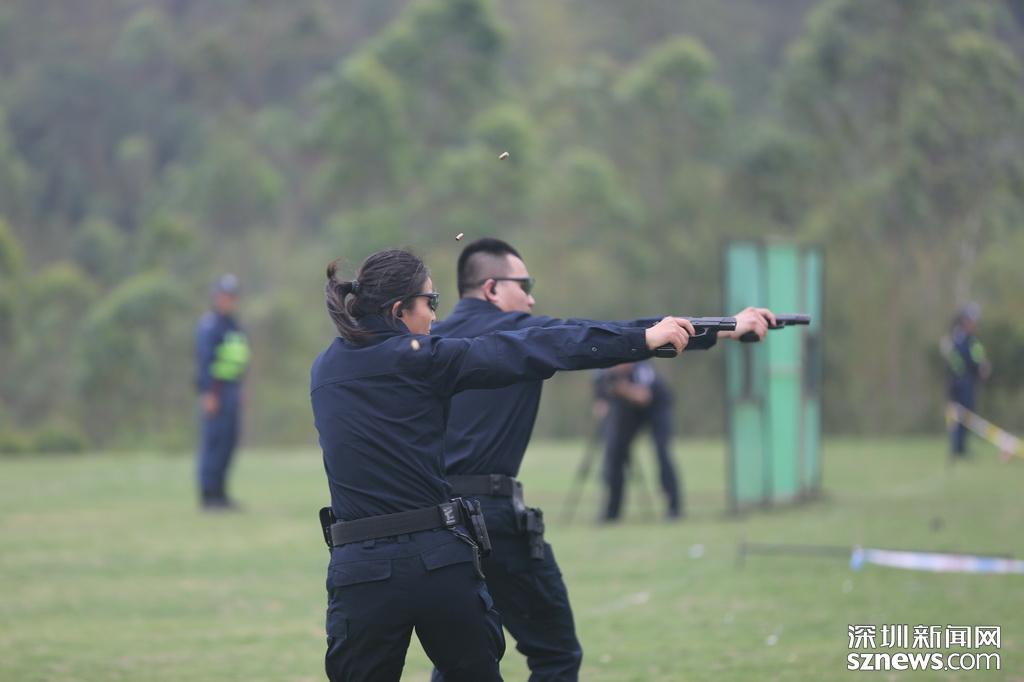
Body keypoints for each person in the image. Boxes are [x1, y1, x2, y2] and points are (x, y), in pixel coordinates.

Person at [310, 248, 696, 682]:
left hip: (359, 569)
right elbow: (532, 347)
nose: (435, 315)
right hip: (437, 562)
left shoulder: (324, 369)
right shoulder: (424, 359)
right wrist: (641, 340)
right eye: (430, 302)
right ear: (400, 310)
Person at [430, 238, 775, 681]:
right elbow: (594, 335)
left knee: (460, 665)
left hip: (433, 524)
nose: (531, 299)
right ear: (492, 288)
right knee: (555, 654)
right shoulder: (518, 334)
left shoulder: (427, 345)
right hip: (491, 518)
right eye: (525, 285)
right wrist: (725, 327)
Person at [596, 361, 680, 522]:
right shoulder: (605, 373)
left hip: (657, 409)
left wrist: (622, 388)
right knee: (615, 452)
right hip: (630, 411)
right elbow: (601, 399)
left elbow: (643, 397)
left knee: (662, 452)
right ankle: (612, 512)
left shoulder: (643, 369)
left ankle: (674, 508)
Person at [194, 274, 249, 511]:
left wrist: (241, 388)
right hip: (216, 392)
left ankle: (221, 493)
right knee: (214, 442)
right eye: (225, 296)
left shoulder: (234, 326)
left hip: (232, 390)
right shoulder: (210, 325)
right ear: (217, 297)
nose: (229, 300)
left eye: (232, 296)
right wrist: (208, 393)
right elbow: (205, 362)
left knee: (228, 442)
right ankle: (209, 495)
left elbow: (239, 360)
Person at [942, 303, 991, 457]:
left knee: (967, 415)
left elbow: (978, 357)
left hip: (969, 382)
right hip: (959, 382)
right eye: (972, 321)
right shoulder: (955, 339)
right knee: (958, 415)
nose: (974, 324)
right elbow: (955, 362)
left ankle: (961, 448)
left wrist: (982, 365)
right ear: (965, 321)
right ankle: (956, 448)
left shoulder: (972, 340)